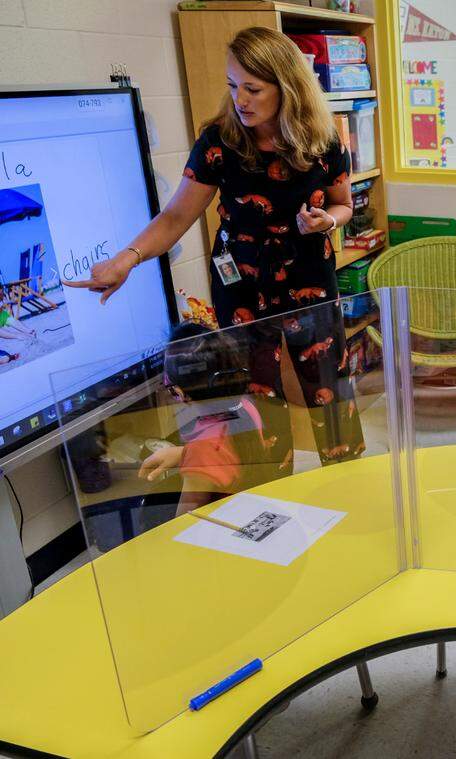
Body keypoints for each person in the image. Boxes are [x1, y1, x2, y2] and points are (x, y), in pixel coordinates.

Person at [66, 26, 363, 470]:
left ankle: (351, 479)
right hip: (241, 285)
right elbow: (175, 217)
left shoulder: (323, 142)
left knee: (329, 386)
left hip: (308, 278)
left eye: (253, 88)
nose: (240, 99)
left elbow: (342, 206)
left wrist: (327, 222)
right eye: (232, 86)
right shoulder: (219, 142)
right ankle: (269, 488)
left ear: (288, 87)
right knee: (254, 397)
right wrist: (127, 260)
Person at [139, 321, 284, 516]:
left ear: (180, 392)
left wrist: (194, 457)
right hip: (251, 512)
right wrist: (184, 454)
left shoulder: (204, 447)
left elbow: (184, 521)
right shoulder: (245, 405)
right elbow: (228, 454)